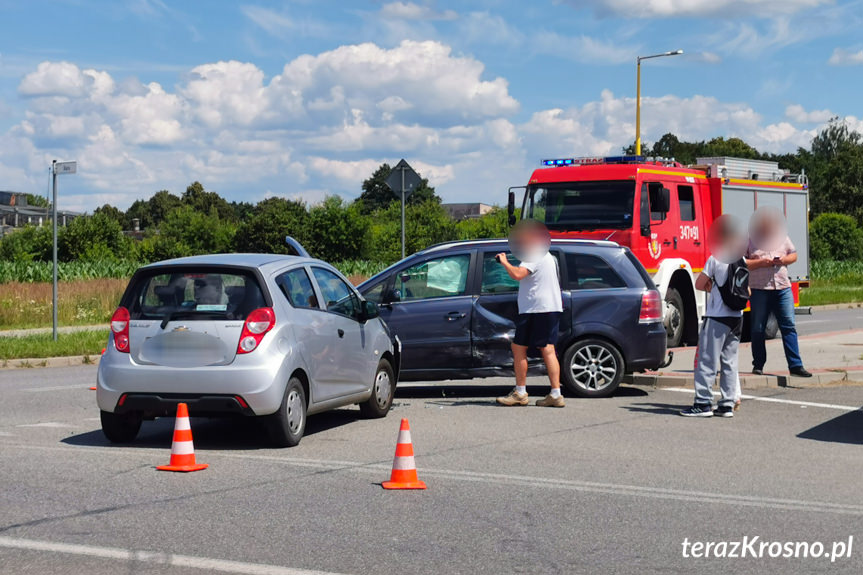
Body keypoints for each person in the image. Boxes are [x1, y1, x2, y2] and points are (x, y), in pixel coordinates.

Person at [495, 225, 564, 408]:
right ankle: (555, 393)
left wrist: (504, 261)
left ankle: (520, 392)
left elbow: (518, 274)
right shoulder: (548, 256)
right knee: (546, 348)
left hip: (536, 309)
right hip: (548, 308)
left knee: (521, 348)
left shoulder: (534, 254)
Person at [681, 219, 745, 418]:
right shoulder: (740, 259)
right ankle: (727, 404)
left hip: (717, 316)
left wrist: (712, 285)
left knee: (706, 360)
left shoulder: (716, 258)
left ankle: (703, 403)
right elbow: (747, 290)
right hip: (737, 316)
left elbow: (699, 284)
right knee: (730, 362)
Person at [745, 212, 812, 378]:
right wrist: (761, 262)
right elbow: (742, 263)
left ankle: (796, 366)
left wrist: (783, 260)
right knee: (758, 328)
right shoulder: (750, 240)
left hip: (782, 288)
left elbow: (794, 255)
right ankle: (758, 365)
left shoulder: (782, 237)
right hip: (759, 289)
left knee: (788, 325)